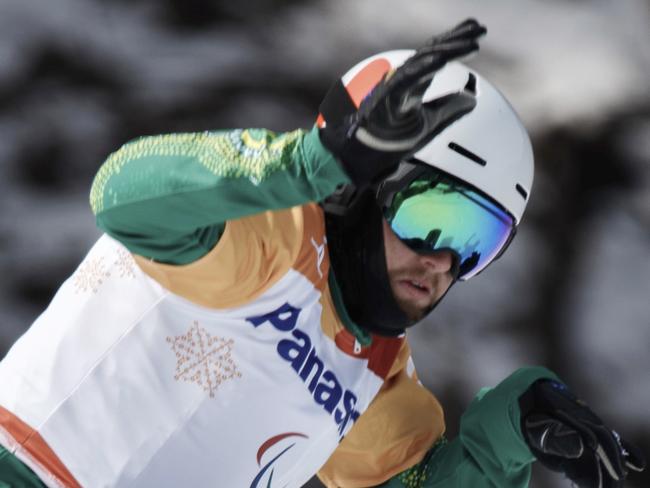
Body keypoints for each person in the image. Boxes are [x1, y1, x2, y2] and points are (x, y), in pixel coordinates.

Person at [0, 19, 644, 488]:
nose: (443, 264)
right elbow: (123, 196)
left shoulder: (376, 372)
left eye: (479, 243)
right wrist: (300, 166)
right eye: (433, 219)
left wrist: (511, 429)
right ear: (361, 191)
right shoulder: (263, 236)